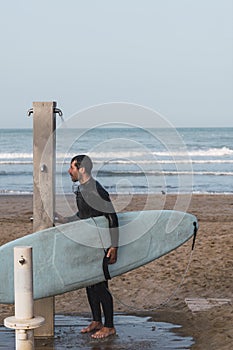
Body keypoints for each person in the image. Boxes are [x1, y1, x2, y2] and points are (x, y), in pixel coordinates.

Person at [57, 154, 119, 339]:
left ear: (81, 169)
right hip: (89, 243)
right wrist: (65, 220)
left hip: (100, 245)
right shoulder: (83, 188)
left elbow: (112, 217)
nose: (69, 171)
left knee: (100, 285)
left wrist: (114, 246)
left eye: (72, 168)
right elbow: (84, 214)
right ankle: (96, 320)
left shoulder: (95, 190)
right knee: (89, 284)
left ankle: (109, 326)